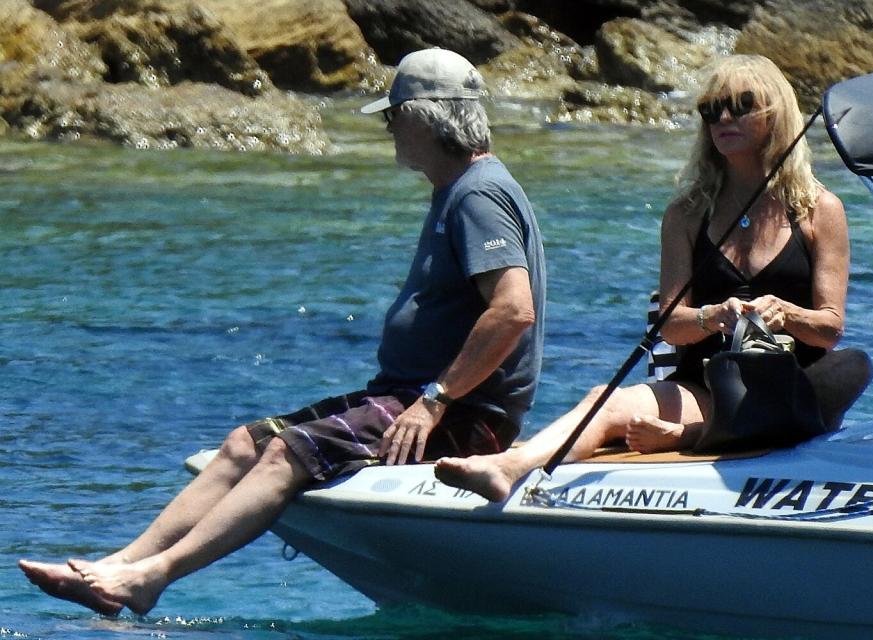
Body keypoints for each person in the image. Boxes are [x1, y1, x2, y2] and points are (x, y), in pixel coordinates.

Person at [19, 48, 546, 616]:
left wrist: (434, 402)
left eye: (392, 117)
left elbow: (513, 310)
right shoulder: (460, 190)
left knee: (285, 456)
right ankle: (122, 563)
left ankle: (152, 579)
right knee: (244, 444)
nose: (389, 131)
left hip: (462, 413)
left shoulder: (478, 194)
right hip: (406, 394)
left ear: (423, 116)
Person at [435, 54, 872, 502]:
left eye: (740, 105)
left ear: (775, 114)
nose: (722, 118)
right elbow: (670, 325)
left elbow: (829, 331)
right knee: (604, 400)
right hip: (706, 386)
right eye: (711, 108)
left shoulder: (819, 210)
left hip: (792, 388)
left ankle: (686, 435)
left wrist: (784, 313)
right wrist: (712, 317)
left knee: (852, 366)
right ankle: (508, 467)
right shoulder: (686, 213)